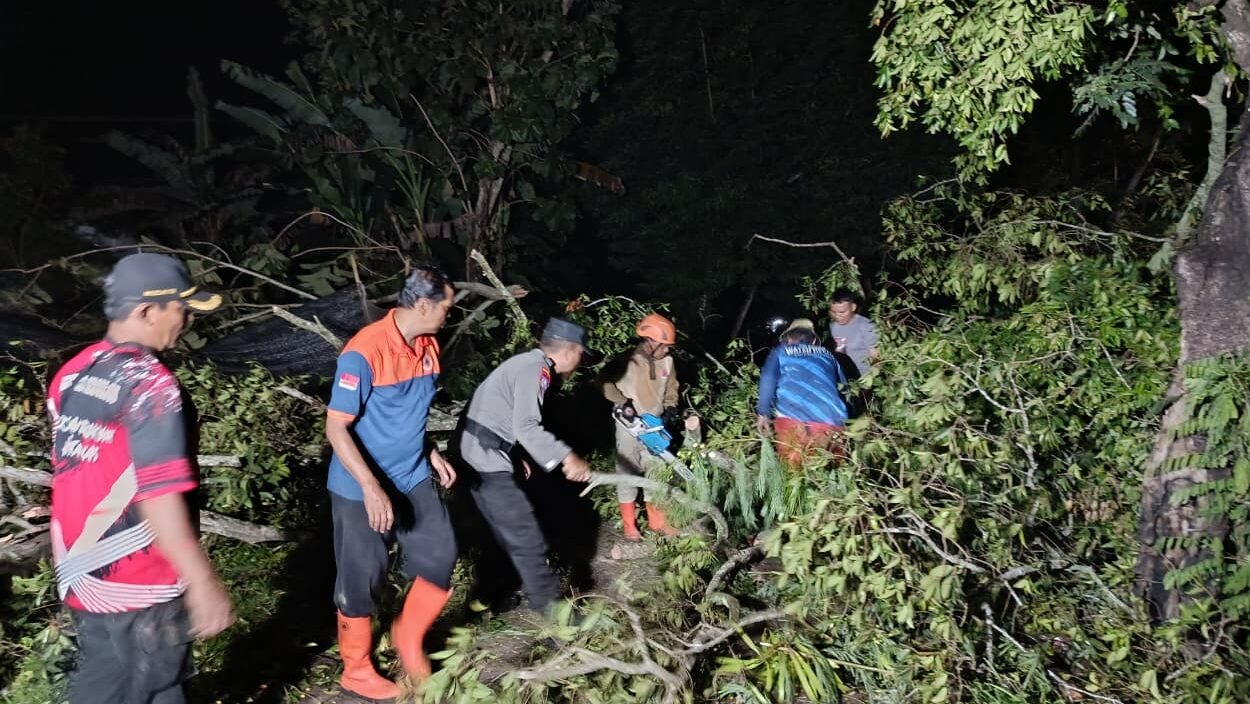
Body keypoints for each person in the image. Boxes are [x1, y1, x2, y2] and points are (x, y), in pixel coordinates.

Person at [48, 252, 234, 704]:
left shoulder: (73, 373)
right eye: (181, 308)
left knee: (124, 685)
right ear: (147, 311)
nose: (187, 319)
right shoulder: (151, 386)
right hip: (139, 581)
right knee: (147, 688)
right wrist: (201, 580)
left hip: (80, 573)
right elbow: (159, 495)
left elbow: (75, 468)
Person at [324, 265, 458, 700]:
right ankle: (356, 671)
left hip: (412, 473)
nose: (448, 316)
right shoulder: (363, 353)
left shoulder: (430, 347)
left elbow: (409, 415)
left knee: (439, 554)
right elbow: (337, 428)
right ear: (422, 305)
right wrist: (369, 485)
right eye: (446, 308)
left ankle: (407, 638)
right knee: (362, 578)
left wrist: (430, 451)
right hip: (359, 483)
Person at [458, 318, 593, 615]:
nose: (580, 361)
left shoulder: (525, 364)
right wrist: (567, 457)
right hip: (485, 457)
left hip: (480, 451)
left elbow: (498, 416)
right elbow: (527, 427)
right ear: (570, 350)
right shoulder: (537, 370)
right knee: (525, 533)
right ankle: (554, 615)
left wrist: (514, 455)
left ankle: (486, 596)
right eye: (581, 353)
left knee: (503, 529)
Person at [601, 313, 681, 541]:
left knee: (656, 470)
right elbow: (604, 382)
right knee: (627, 471)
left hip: (654, 425)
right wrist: (621, 402)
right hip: (628, 425)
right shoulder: (628, 360)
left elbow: (672, 386)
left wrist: (670, 407)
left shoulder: (668, 361)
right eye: (665, 345)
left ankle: (657, 522)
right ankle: (629, 526)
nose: (668, 349)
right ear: (652, 341)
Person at [756, 318, 850, 466]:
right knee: (833, 476)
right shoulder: (829, 355)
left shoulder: (781, 351)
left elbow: (768, 377)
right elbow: (845, 388)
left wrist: (763, 413)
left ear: (787, 339)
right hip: (832, 421)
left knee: (794, 477)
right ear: (813, 341)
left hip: (792, 419)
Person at [828, 288, 879, 377]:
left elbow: (877, 359)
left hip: (864, 378)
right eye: (833, 312)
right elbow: (840, 352)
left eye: (842, 312)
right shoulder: (833, 326)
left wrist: (869, 381)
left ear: (853, 307)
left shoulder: (866, 326)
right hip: (845, 378)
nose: (837, 316)